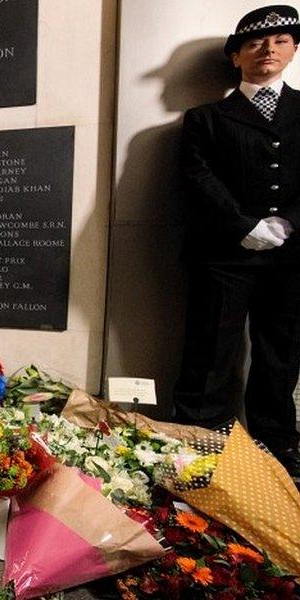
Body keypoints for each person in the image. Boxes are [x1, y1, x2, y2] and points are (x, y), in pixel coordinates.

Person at [173, 5, 300, 484]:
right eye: (255, 43)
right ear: (235, 57)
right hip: (224, 254)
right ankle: (193, 450)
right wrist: (243, 225)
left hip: (291, 257)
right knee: (209, 351)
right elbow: (197, 176)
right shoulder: (207, 118)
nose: (268, 49)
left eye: (281, 41)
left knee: (280, 355)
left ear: (292, 50)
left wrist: (286, 223)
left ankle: (278, 452)